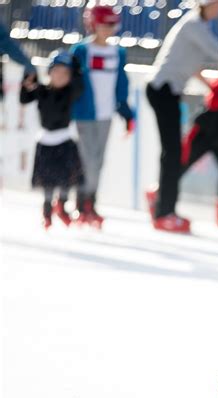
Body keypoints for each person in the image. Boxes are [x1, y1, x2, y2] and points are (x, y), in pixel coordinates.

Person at [146, 0, 218, 233]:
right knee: (174, 153)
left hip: (170, 92)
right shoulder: (193, 25)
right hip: (163, 90)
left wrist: (209, 85)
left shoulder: (198, 28)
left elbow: (193, 66)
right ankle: (164, 212)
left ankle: (163, 207)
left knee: (174, 153)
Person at [70, 3, 134, 228]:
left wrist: (127, 114)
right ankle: (81, 203)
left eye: (111, 24)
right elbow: (71, 82)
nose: (108, 29)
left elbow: (122, 86)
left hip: (106, 115)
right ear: (93, 24)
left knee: (98, 161)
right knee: (87, 161)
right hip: (84, 114)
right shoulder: (81, 51)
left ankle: (90, 203)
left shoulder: (118, 53)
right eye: (104, 24)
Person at [20, 50, 84, 229]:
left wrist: (77, 68)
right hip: (46, 142)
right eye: (57, 71)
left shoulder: (70, 92)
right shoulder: (42, 91)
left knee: (66, 180)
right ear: (49, 72)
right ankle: (47, 211)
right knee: (47, 182)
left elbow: (80, 86)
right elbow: (24, 98)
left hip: (65, 141)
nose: (60, 76)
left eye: (66, 73)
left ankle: (62, 206)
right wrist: (26, 80)